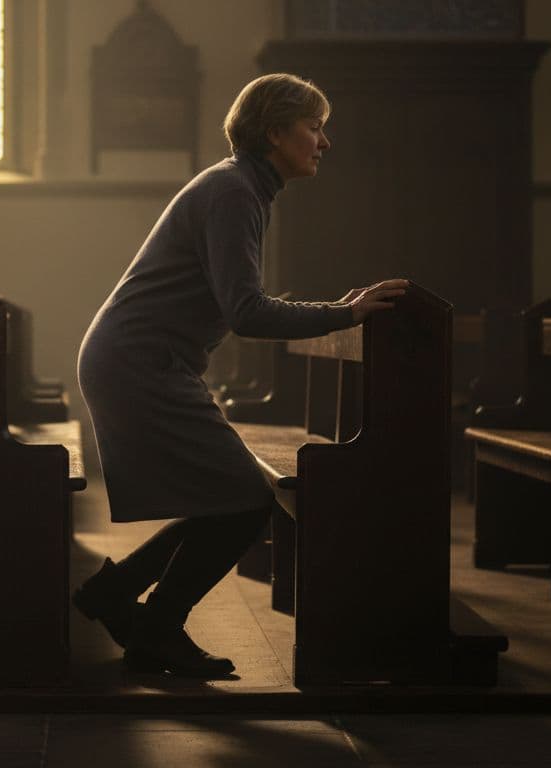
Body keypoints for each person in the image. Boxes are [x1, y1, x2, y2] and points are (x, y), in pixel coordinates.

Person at [73, 73, 409, 677]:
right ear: (276, 131)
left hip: (141, 359)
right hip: (141, 363)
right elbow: (247, 312)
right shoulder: (233, 192)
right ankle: (155, 626)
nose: (324, 143)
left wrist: (341, 309)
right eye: (314, 127)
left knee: (227, 498)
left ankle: (119, 598)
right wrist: (344, 312)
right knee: (243, 499)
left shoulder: (241, 188)